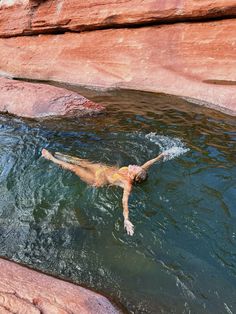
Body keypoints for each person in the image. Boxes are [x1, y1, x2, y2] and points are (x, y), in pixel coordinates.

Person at [42, 148, 166, 236]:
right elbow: (149, 163)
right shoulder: (137, 171)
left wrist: (126, 219)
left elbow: (125, 202)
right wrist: (161, 156)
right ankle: (64, 157)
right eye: (136, 166)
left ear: (132, 176)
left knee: (75, 168)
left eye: (135, 168)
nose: (134, 165)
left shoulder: (127, 184)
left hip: (98, 180)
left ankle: (52, 159)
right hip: (103, 169)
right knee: (82, 162)